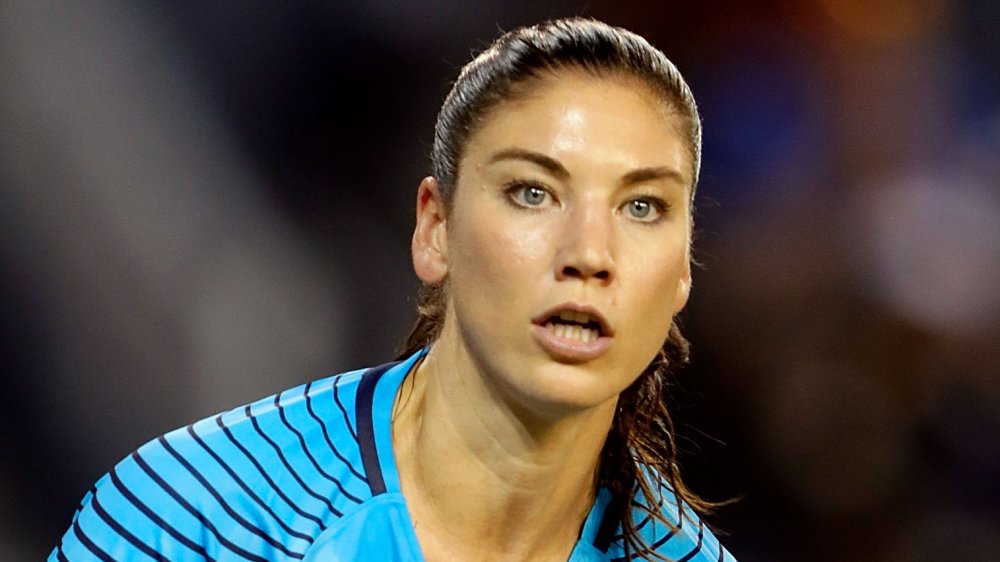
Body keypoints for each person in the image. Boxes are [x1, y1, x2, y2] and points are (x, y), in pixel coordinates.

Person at [51, 17, 738, 562]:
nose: (589, 254)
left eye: (643, 207)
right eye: (533, 193)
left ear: (682, 269)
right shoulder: (198, 518)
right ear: (434, 230)